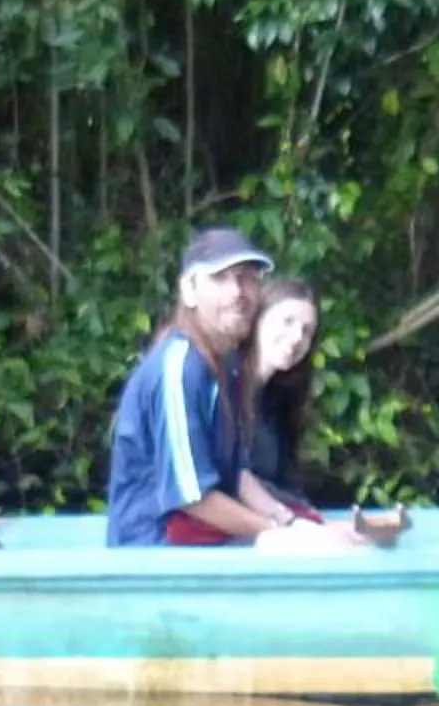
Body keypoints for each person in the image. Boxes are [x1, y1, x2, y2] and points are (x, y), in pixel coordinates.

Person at [105, 228, 366, 550]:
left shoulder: (223, 367)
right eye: (220, 278)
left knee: (344, 543)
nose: (237, 291)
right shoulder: (179, 367)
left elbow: (238, 475)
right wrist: (283, 535)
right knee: (319, 553)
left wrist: (295, 523)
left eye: (247, 278)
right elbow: (193, 498)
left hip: (202, 540)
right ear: (189, 289)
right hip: (159, 551)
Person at [244, 276, 324, 523]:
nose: (296, 337)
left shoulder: (278, 401)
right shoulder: (219, 388)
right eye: (287, 322)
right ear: (258, 320)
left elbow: (286, 483)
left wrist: (311, 519)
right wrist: (294, 519)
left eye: (307, 330)